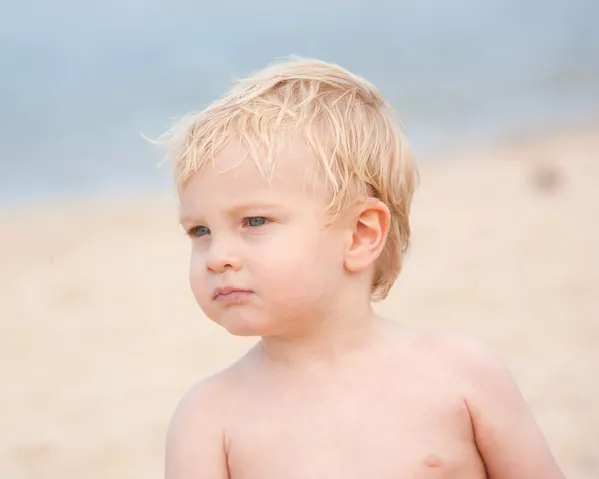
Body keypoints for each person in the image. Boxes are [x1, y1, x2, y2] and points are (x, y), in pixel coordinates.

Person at [159, 57, 564, 478]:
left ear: (360, 235)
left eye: (254, 221)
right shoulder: (209, 420)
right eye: (200, 230)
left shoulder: (461, 373)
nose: (218, 255)